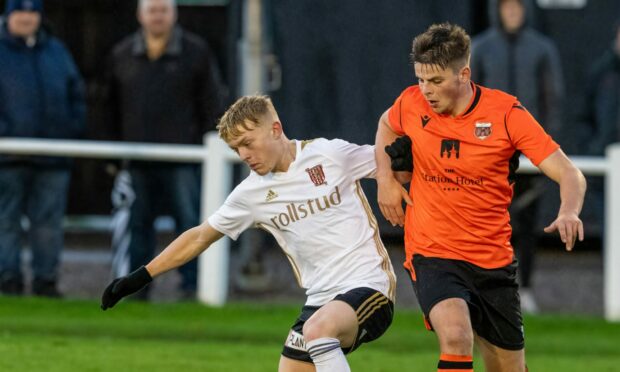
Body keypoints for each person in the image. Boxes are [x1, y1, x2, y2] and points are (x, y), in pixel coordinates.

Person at [101, 95, 396, 372]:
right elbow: (199, 237)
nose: (244, 155)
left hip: (369, 285)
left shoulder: (329, 154)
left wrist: (401, 165)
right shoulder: (251, 193)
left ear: (275, 129)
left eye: (247, 143)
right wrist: (139, 277)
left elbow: (394, 164)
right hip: (320, 299)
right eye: (236, 149)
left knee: (318, 330)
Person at [375, 23, 585, 372]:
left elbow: (569, 173)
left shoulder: (505, 114)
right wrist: (385, 180)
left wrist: (569, 211)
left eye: (436, 81)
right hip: (433, 251)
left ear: (464, 74)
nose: (425, 90)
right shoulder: (411, 102)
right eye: (420, 79)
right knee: (456, 337)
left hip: (492, 260)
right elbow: (386, 124)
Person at [105, 0, 223, 299]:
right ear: (140, 14)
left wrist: (207, 148)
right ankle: (135, 291)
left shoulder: (196, 52)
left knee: (191, 225)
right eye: (152, 10)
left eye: (163, 10)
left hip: (183, 158)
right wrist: (112, 155)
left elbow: (212, 103)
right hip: (137, 159)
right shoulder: (121, 54)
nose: (158, 16)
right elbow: (108, 106)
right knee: (138, 226)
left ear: (174, 13)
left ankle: (193, 288)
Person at [471, 0, 565, 313]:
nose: (512, 13)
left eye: (517, 8)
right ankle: (486, 287)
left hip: (529, 154)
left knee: (526, 224)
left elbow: (552, 98)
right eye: (507, 8)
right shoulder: (481, 47)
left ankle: (524, 288)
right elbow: (471, 98)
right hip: (489, 155)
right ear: (497, 11)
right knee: (487, 222)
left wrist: (544, 148)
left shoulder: (542, 48)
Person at [0, 0, 86, 297]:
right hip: (7, 156)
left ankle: (45, 281)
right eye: (20, 11)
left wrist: (69, 131)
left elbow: (77, 94)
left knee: (48, 223)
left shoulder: (56, 51)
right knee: (5, 221)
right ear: (9, 15)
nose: (26, 18)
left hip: (52, 155)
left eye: (32, 11)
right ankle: (7, 280)